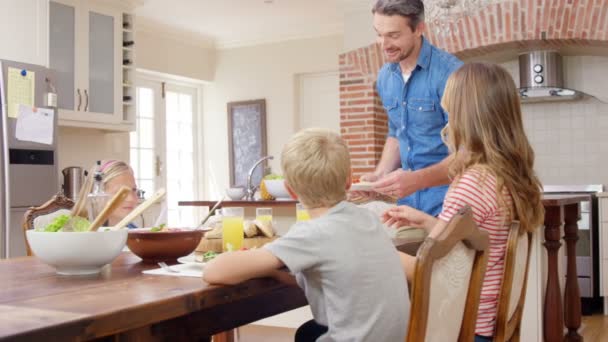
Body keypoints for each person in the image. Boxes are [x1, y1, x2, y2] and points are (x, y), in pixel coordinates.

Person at [382, 63, 545, 341]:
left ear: (463, 117)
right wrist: (427, 220)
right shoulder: (505, 177)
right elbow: (477, 240)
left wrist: (372, 249)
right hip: (488, 326)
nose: (447, 121)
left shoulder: (471, 184)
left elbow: (432, 272)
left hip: (464, 329)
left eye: (449, 111)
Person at [203, 128, 410, 342]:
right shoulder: (367, 219)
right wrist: (276, 273)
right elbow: (333, 274)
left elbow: (214, 272)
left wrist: (265, 261)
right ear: (349, 180)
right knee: (306, 333)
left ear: (290, 190)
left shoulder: (312, 233)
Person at [357, 0, 463, 216]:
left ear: (419, 29)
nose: (384, 44)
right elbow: (396, 132)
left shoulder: (452, 74)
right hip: (407, 205)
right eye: (379, 34)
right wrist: (380, 175)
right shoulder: (385, 77)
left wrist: (416, 180)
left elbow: (469, 152)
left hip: (449, 204)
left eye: (393, 35)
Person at [79, 160, 140, 228]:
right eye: (120, 191)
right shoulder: (77, 234)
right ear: (97, 196)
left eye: (134, 190)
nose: (131, 199)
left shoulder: (132, 230)